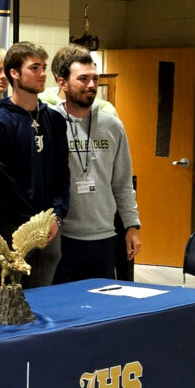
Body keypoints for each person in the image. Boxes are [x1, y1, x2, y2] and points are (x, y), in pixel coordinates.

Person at [50, 45, 141, 282]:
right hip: (63, 237)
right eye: (83, 79)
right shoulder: (50, 123)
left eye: (94, 79)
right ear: (62, 83)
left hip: (104, 235)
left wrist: (132, 225)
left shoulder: (112, 125)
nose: (91, 86)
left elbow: (122, 182)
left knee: (101, 308)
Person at [0, 42, 69, 288]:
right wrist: (34, 224)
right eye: (34, 68)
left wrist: (56, 216)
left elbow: (63, 173)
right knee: (12, 298)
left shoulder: (53, 120)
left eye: (44, 67)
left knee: (44, 299)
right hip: (15, 228)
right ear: (15, 73)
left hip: (50, 228)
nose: (43, 73)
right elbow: (3, 183)